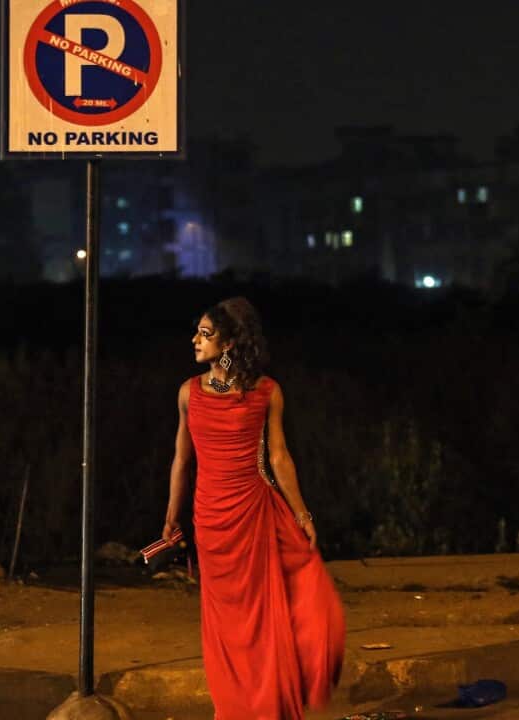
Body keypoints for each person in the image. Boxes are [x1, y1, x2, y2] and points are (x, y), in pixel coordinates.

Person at [162, 297, 346, 719]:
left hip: (253, 515)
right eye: (197, 332)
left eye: (205, 334)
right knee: (224, 623)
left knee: (262, 618)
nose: (195, 340)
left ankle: (265, 705)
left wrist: (302, 514)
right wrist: (172, 516)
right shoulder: (189, 392)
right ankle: (231, 708)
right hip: (210, 521)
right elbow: (181, 459)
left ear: (228, 343)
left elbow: (279, 456)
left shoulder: (266, 392)